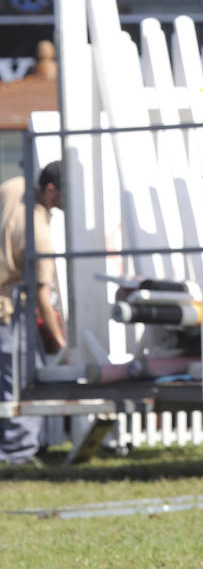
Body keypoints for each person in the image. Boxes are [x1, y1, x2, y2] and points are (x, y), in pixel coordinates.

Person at [1, 162, 67, 466]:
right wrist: (59, 340)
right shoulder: (38, 231)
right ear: (51, 190)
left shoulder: (13, 187)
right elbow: (42, 295)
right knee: (22, 376)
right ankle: (18, 453)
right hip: (5, 307)